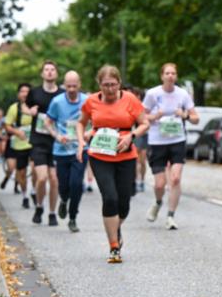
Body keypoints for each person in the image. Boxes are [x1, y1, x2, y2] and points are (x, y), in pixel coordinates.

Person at [76, 65, 149, 263]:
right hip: (100, 155)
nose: (110, 89)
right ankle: (114, 246)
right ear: (99, 84)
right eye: (106, 85)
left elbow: (144, 123)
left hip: (125, 155)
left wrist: (131, 136)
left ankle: (115, 228)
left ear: (119, 83)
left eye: (113, 85)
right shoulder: (91, 101)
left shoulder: (130, 99)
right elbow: (81, 123)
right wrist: (81, 140)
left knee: (124, 204)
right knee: (110, 197)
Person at [143, 63, 198, 229]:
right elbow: (141, 116)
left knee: (175, 179)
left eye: (173, 73)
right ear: (162, 76)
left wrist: (185, 115)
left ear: (176, 76)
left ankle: (170, 216)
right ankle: (158, 202)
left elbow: (196, 118)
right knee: (159, 184)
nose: (170, 76)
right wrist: (154, 116)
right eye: (167, 73)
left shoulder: (182, 94)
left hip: (177, 140)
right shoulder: (152, 94)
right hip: (157, 141)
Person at [47, 71, 87, 233]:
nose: (71, 89)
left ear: (79, 85)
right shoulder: (56, 102)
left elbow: (94, 120)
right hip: (61, 150)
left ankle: (72, 218)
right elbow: (48, 122)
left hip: (80, 148)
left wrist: (88, 134)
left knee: (76, 184)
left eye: (74, 86)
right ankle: (63, 200)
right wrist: (57, 136)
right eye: (68, 86)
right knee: (63, 185)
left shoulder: (87, 101)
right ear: (64, 85)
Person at [26, 61, 62, 226]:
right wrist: (30, 111)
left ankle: (52, 213)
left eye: (52, 70)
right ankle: (39, 206)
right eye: (46, 70)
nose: (49, 72)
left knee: (54, 180)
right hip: (39, 140)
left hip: (56, 141)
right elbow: (25, 107)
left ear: (56, 74)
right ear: (42, 74)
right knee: (42, 178)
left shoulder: (62, 94)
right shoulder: (34, 92)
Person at [130, 85, 149, 193]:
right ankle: (136, 181)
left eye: (136, 95)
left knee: (142, 160)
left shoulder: (144, 107)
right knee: (136, 160)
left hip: (144, 135)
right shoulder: (130, 106)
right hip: (135, 135)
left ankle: (142, 180)